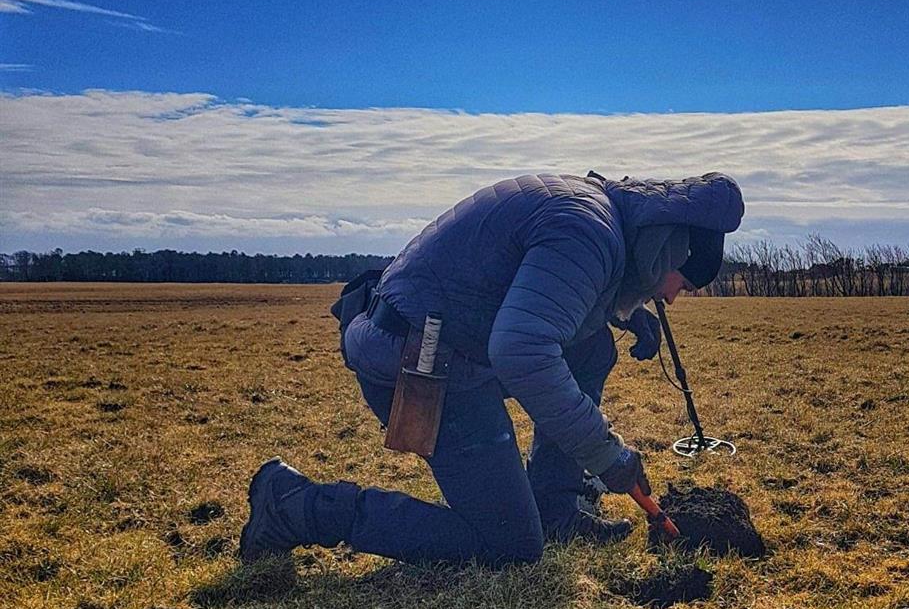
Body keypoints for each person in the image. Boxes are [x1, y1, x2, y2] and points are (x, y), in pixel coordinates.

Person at [238, 171, 744, 566]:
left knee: (593, 346)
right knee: (511, 545)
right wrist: (607, 456)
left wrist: (624, 311)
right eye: (681, 283)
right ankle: (295, 505)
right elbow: (523, 352)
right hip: (421, 364)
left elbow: (546, 295)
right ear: (667, 251)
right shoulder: (587, 233)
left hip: (449, 340)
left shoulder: (604, 215)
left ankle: (555, 504)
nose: (673, 299)